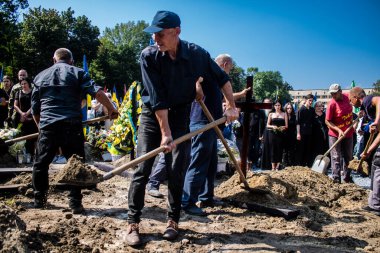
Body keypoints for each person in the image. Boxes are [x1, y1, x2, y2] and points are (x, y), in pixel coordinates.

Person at [125, 11, 238, 246]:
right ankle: (133, 223)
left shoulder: (197, 55)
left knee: (177, 167)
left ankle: (172, 221)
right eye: (154, 34)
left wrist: (231, 106)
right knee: (143, 168)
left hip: (181, 115)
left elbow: (222, 79)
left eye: (161, 34)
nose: (156, 39)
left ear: (177, 32)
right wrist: (165, 134)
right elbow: (157, 98)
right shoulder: (149, 56)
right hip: (152, 115)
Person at [31, 48, 118, 214]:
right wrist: (111, 108)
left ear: (54, 60)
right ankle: (75, 203)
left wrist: (41, 129)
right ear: (71, 60)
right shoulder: (78, 72)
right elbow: (98, 93)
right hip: (72, 124)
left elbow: (35, 110)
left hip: (48, 125)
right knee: (76, 163)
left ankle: (39, 200)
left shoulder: (40, 76)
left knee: (40, 164)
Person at [182, 53, 237, 217]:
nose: (229, 73)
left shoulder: (215, 77)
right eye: (230, 69)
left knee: (211, 164)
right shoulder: (206, 69)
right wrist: (197, 86)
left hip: (213, 125)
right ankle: (187, 202)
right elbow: (195, 78)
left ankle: (206, 197)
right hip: (202, 124)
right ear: (225, 64)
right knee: (198, 163)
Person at [349, 87, 380, 215]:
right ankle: (374, 203)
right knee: (376, 163)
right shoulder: (365, 108)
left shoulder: (367, 100)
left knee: (378, 166)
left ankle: (376, 205)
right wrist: (368, 151)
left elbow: (379, 100)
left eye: (351, 99)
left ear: (356, 97)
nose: (350, 102)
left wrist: (377, 122)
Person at [325, 83, 354, 184]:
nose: (333, 96)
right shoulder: (331, 104)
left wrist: (362, 111)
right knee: (335, 156)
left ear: (340, 92)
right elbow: (327, 121)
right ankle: (336, 179)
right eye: (331, 94)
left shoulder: (348, 97)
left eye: (335, 93)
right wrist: (338, 130)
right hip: (334, 134)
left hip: (349, 133)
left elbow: (359, 100)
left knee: (348, 156)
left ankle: (347, 178)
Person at [14, 77, 38, 158]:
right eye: (22, 84)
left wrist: (27, 114)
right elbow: (15, 105)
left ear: (29, 84)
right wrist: (22, 114)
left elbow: (35, 104)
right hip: (22, 118)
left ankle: (34, 155)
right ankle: (25, 156)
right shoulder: (18, 92)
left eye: (25, 83)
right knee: (23, 137)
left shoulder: (33, 92)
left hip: (32, 117)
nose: (23, 85)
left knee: (34, 138)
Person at [266, 100, 288, 170]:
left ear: (281, 106)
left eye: (279, 105)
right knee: (272, 149)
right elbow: (267, 125)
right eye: (276, 105)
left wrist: (282, 127)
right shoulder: (271, 114)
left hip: (281, 134)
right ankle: (273, 166)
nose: (277, 107)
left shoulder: (284, 114)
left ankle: (278, 166)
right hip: (272, 134)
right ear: (274, 106)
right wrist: (273, 126)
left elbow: (286, 126)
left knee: (279, 149)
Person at [296, 94, 315, 167]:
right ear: (306, 100)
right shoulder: (301, 109)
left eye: (312, 101)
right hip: (302, 132)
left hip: (309, 132)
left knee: (308, 149)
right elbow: (298, 122)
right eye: (309, 100)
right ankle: (300, 165)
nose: (311, 102)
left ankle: (307, 165)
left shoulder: (312, 110)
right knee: (301, 149)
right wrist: (298, 133)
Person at [282, 102, 297, 167]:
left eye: (290, 108)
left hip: (292, 135)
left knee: (291, 150)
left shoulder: (294, 116)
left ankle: (291, 164)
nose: (289, 109)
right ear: (285, 109)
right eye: (288, 108)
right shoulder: (283, 116)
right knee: (285, 151)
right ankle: (285, 164)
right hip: (284, 135)